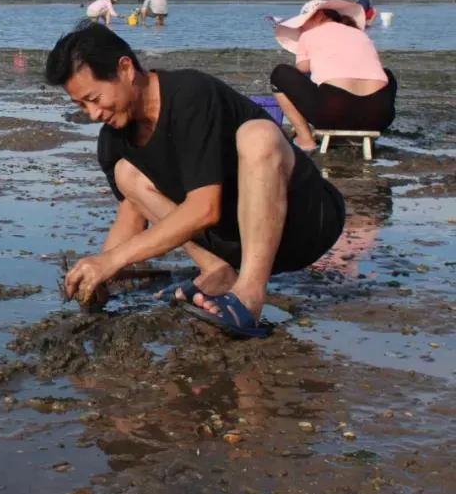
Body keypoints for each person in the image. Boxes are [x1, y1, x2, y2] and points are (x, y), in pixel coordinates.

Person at [47, 22, 345, 338]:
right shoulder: (113, 141)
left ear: (125, 69)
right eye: (81, 105)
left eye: (94, 98)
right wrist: (100, 276)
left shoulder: (191, 95)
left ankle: (249, 296)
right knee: (126, 173)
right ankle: (217, 269)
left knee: (258, 135)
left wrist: (114, 260)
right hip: (234, 241)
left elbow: (206, 209)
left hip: (305, 223)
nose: (92, 114)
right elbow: (131, 216)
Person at [271, 0, 396, 152]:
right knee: (387, 74)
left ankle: (305, 139)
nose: (301, 28)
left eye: (302, 23)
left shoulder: (308, 35)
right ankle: (354, 133)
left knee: (280, 73)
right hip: (379, 116)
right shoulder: (360, 34)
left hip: (334, 111)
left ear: (317, 16)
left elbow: (302, 68)